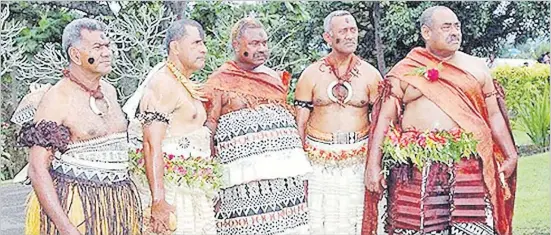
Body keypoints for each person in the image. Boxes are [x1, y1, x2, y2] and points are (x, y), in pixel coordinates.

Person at [363, 6, 517, 235]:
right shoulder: (405, 70)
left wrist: (510, 153)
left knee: (471, 227)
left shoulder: (477, 67)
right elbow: (384, 119)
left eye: (457, 26)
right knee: (415, 226)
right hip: (415, 164)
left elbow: (493, 115)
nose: (455, 32)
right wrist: (373, 166)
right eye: (446, 27)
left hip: (469, 163)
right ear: (426, 32)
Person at [13, 18, 142, 235]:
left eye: (107, 46)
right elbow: (37, 169)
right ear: (75, 55)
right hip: (76, 207)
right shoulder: (57, 99)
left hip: (118, 208)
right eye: (98, 47)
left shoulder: (110, 91)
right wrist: (66, 227)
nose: (107, 52)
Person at [203, 17, 313, 235]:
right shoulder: (219, 81)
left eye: (264, 43)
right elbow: (209, 128)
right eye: (254, 44)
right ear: (236, 45)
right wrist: (210, 180)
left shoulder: (273, 79)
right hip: (241, 186)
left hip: (284, 183)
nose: (262, 48)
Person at [123, 19, 220, 235]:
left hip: (192, 191)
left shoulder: (184, 84)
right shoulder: (163, 82)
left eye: (203, 43)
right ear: (175, 47)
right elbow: (150, 144)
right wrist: (158, 201)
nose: (203, 49)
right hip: (171, 194)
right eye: (196, 43)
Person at [294, 10, 381, 235]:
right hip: (318, 160)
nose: (351, 35)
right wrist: (298, 167)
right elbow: (300, 125)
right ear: (328, 37)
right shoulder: (311, 75)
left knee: (355, 219)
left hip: (358, 158)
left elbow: (381, 124)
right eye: (343, 31)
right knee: (319, 221)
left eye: (353, 30)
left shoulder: (371, 75)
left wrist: (375, 163)